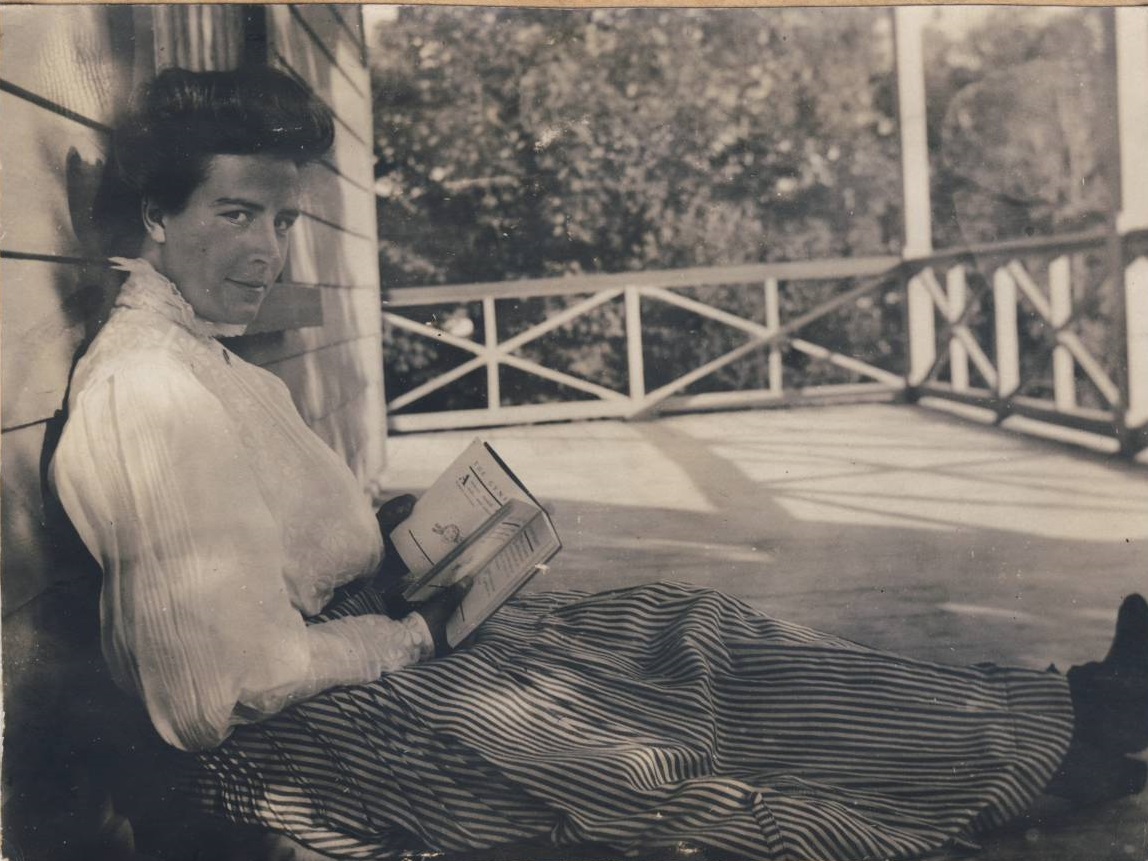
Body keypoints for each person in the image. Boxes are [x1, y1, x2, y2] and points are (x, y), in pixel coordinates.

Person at [49, 66, 1147, 861]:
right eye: (236, 215)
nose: (264, 252)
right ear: (156, 215)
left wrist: (405, 541)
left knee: (686, 630)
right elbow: (216, 693)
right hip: (309, 749)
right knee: (645, 753)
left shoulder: (204, 359)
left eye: (282, 222)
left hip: (367, 658)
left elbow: (275, 551)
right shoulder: (150, 392)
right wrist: (415, 632)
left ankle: (1064, 712)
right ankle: (1050, 754)